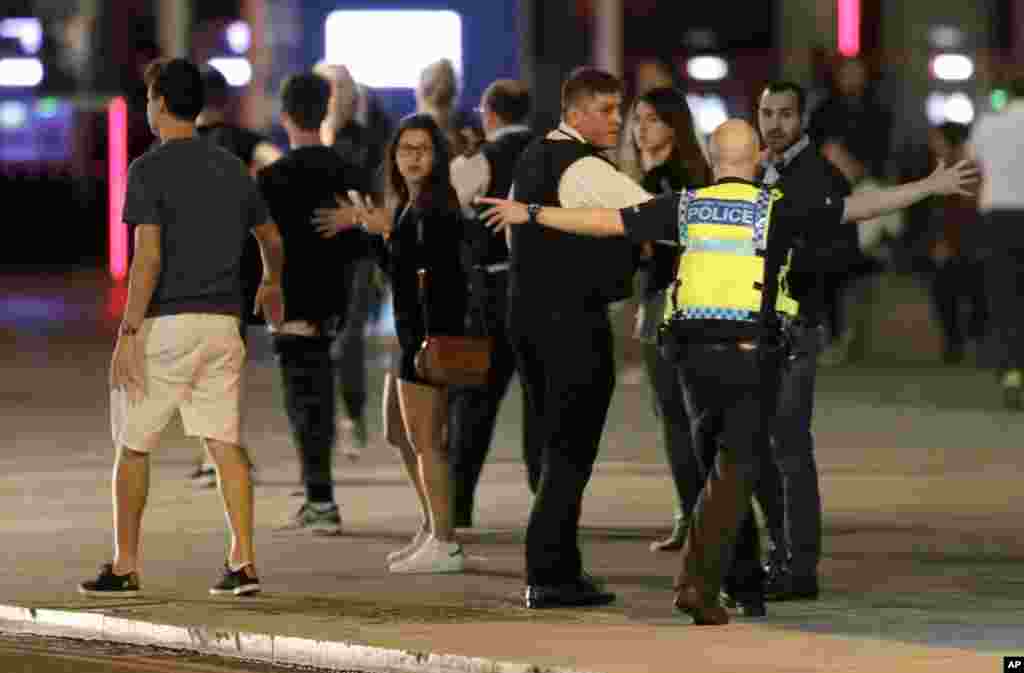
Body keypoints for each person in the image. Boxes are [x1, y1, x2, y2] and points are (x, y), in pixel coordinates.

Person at [479, 118, 976, 625]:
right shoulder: (776, 208)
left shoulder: (687, 206)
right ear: (758, 158)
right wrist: (928, 187)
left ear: (715, 160)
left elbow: (607, 220)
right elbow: (858, 208)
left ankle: (742, 583)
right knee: (736, 468)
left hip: (691, 357)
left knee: (719, 465)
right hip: (749, 353)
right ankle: (697, 584)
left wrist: (533, 212)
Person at [79, 57, 285, 598]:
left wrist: (127, 334)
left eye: (149, 98)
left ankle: (125, 564)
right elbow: (271, 237)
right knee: (225, 444)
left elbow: (146, 260)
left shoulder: (148, 168)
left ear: (161, 104)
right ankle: (243, 561)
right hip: (223, 327)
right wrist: (271, 281)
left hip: (167, 325)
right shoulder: (232, 167)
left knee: (133, 445)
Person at [505, 67, 653, 609]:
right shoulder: (582, 166)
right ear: (575, 112)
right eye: (607, 109)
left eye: (619, 109)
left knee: (553, 447)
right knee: (572, 450)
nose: (617, 119)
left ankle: (558, 567)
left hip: (529, 317)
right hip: (571, 322)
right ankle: (549, 573)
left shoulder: (531, 156)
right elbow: (653, 217)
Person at [338, 114, 470, 573]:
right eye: (405, 149)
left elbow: (429, 274)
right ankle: (431, 526)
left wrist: (386, 234)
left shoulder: (435, 210)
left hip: (428, 339)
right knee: (399, 433)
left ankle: (446, 541)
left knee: (426, 441)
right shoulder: (412, 207)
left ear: (437, 158)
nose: (412, 156)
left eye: (422, 149)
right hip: (409, 336)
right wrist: (382, 235)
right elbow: (396, 272)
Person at [753, 81, 851, 603]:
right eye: (766, 113)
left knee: (789, 447)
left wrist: (798, 260)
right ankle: (781, 554)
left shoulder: (820, 177)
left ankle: (799, 563)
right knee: (765, 448)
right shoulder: (757, 172)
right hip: (758, 328)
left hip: (796, 329)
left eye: (785, 114)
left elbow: (842, 253)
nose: (774, 124)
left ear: (802, 119)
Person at [258, 72, 369, 535]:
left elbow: (258, 242)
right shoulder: (346, 169)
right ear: (325, 111)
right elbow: (370, 230)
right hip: (334, 298)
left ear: (284, 116)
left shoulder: (270, 178)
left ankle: (320, 500)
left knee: (303, 401)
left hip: (288, 300)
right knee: (317, 392)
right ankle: (317, 497)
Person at [187, 64, 284, 488]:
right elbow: (279, 167)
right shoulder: (245, 141)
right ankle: (222, 453)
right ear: (225, 101)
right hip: (237, 269)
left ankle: (214, 457)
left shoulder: (175, 148)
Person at [447, 79, 538, 527]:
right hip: (543, 293)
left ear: (490, 113)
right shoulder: (548, 155)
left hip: (488, 295)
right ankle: (547, 501)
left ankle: (458, 505)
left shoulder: (481, 159)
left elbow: (449, 210)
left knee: (474, 404)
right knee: (541, 402)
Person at [627, 87, 711, 552]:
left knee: (676, 417)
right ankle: (696, 511)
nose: (642, 127)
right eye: (638, 118)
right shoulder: (686, 174)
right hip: (682, 301)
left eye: (653, 119)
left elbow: (656, 247)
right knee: (685, 414)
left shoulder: (664, 179)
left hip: (669, 302)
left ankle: (693, 514)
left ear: (674, 127)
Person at [312, 62, 393, 455]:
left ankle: (352, 416)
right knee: (315, 344)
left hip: (357, 255)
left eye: (341, 91)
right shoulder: (307, 139)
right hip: (314, 255)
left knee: (348, 340)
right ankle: (322, 425)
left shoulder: (366, 143)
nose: (335, 99)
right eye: (328, 91)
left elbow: (381, 201)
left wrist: (356, 216)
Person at [967, 78, 1024, 408]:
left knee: (1004, 295)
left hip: (998, 219)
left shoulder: (989, 123)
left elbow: (971, 166)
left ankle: (1011, 370)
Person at [924, 123, 986, 365]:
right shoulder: (940, 169)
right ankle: (955, 341)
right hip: (953, 247)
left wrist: (948, 244)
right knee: (943, 282)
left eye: (937, 141)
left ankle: (971, 335)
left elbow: (969, 216)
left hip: (973, 247)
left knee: (967, 277)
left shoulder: (970, 171)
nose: (933, 146)